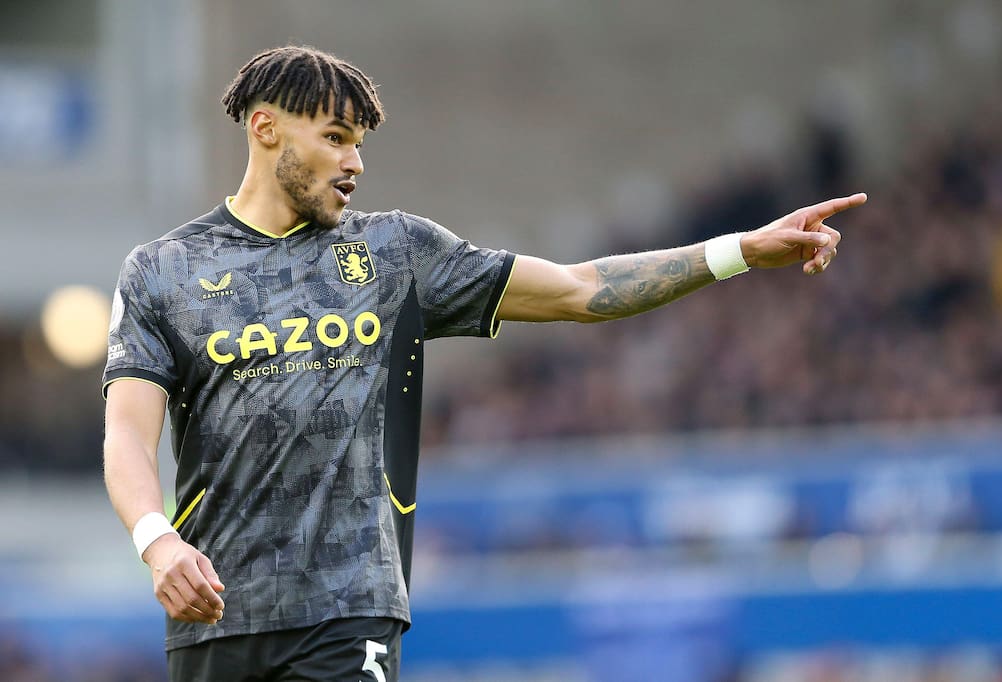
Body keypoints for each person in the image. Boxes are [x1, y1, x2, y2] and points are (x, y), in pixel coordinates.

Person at [102, 44, 866, 681]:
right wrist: (156, 540)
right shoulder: (164, 272)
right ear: (265, 128)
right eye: (335, 137)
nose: (354, 161)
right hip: (213, 615)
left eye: (359, 143)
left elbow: (579, 289)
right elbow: (128, 434)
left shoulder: (394, 252)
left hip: (347, 610)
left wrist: (738, 252)